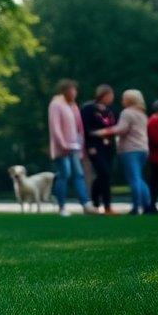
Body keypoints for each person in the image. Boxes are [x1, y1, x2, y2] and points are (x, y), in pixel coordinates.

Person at [48, 79, 95, 216]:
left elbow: (78, 127)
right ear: (65, 90)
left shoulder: (72, 106)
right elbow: (55, 126)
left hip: (74, 147)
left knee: (78, 175)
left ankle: (86, 203)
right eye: (73, 90)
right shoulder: (56, 104)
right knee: (64, 174)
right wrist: (62, 143)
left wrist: (80, 145)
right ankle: (62, 206)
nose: (75, 93)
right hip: (62, 148)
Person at [105, 89, 152, 215]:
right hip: (143, 149)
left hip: (130, 150)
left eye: (124, 98)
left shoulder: (127, 112)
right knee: (139, 178)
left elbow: (122, 129)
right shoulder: (142, 113)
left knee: (134, 179)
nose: (122, 100)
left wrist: (104, 131)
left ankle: (136, 207)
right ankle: (147, 206)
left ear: (129, 100)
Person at [81, 84, 118, 214]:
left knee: (105, 175)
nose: (112, 97)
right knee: (104, 173)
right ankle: (106, 206)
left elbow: (116, 127)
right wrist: (90, 145)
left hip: (109, 146)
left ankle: (96, 201)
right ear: (103, 95)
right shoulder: (88, 109)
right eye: (110, 95)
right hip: (95, 146)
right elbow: (85, 129)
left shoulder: (111, 110)